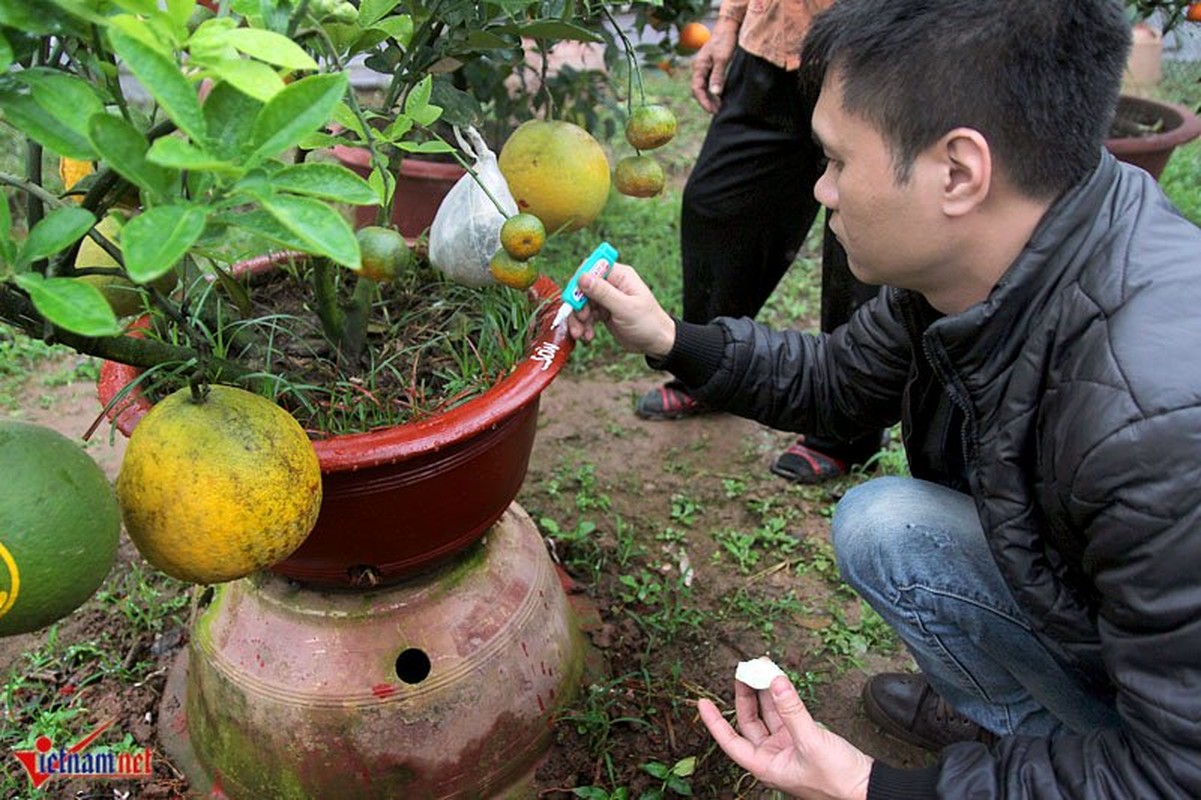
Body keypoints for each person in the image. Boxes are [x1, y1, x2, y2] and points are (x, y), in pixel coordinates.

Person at [566, 0, 1201, 795]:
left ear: (958, 171)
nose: (822, 190)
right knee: (885, 525)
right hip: (1113, 629)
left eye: (835, 159)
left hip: (1169, 736)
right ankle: (1021, 728)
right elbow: (837, 384)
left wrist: (874, 789)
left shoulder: (1152, 418)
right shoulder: (1006, 247)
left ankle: (1050, 749)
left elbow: (1177, 775)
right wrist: (667, 337)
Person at [634, 0, 884, 484]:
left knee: (859, 238)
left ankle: (846, 431)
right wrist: (728, 22)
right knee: (716, 204)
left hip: (876, 53)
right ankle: (706, 364)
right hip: (775, 44)